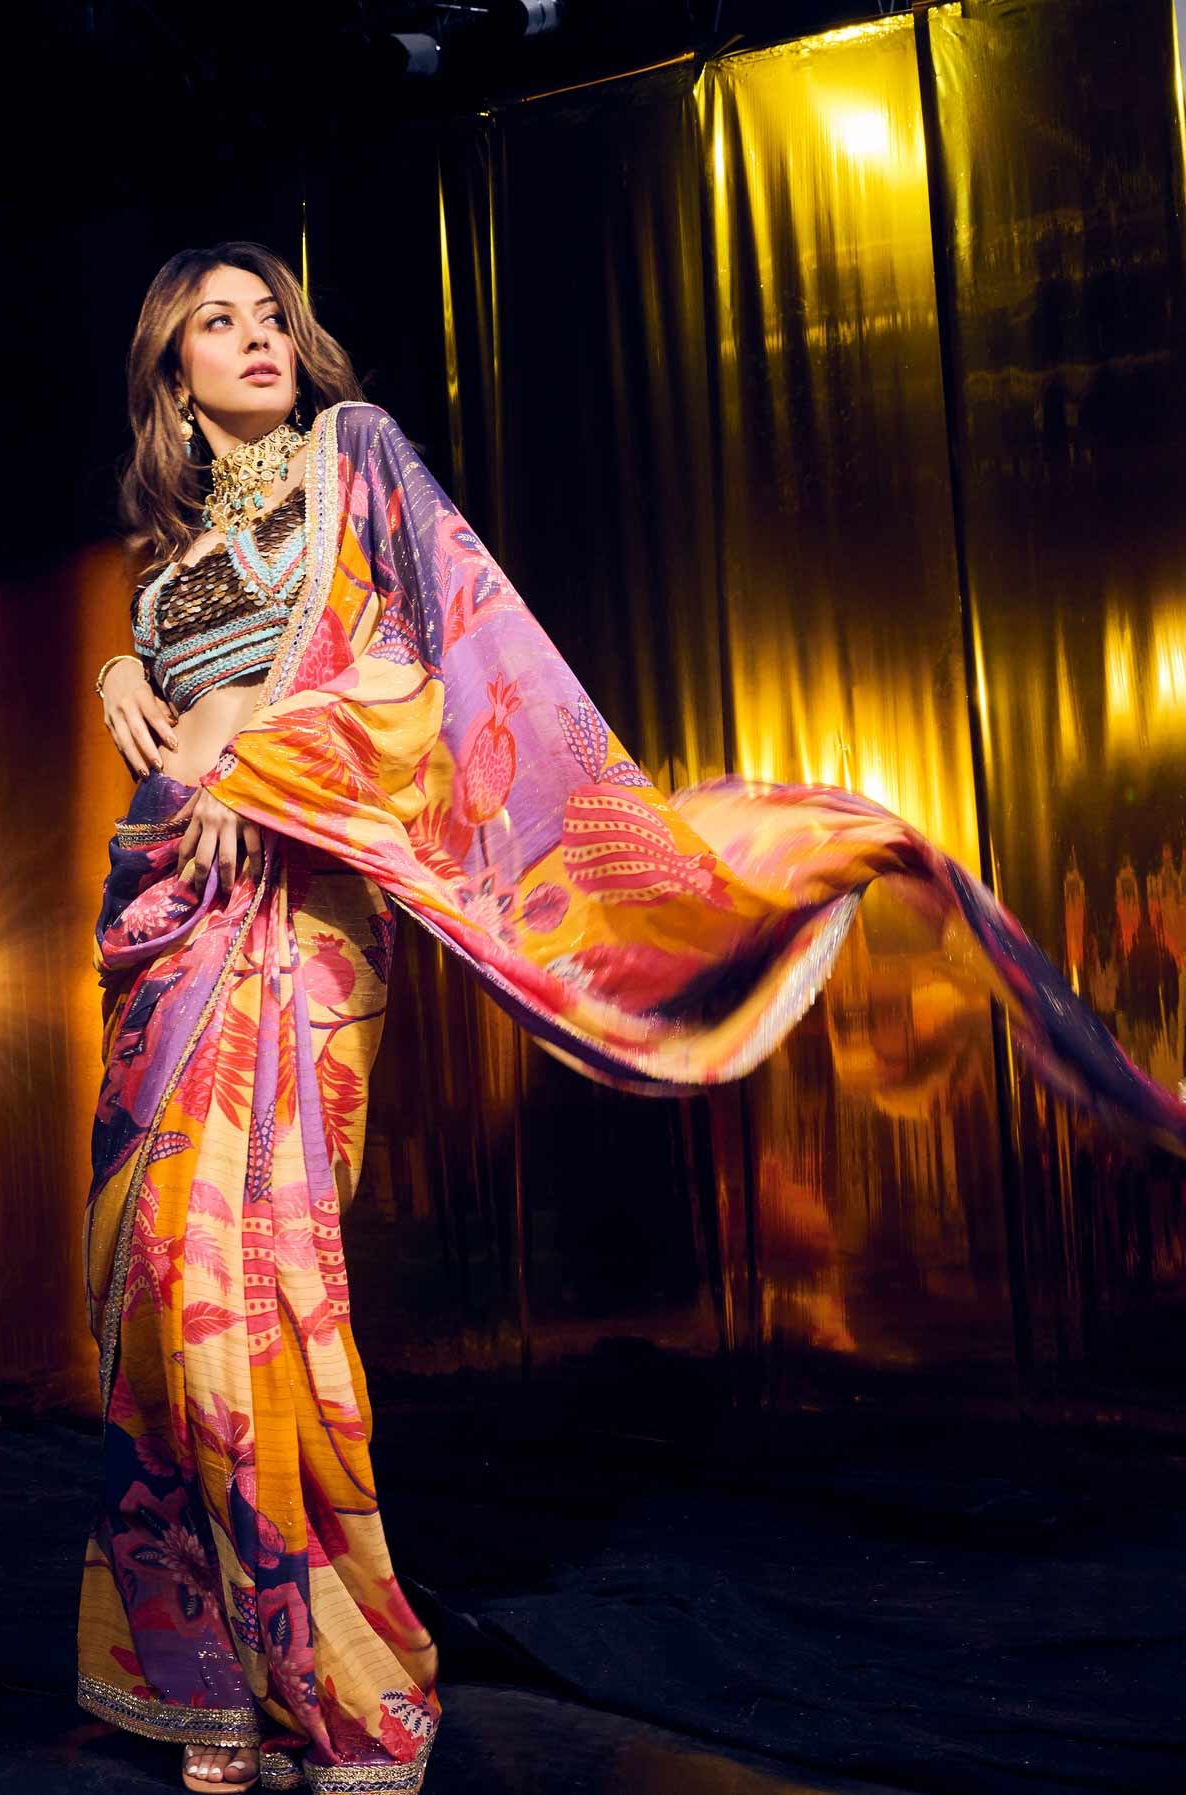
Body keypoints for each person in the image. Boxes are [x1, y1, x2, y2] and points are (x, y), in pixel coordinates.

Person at [82, 240, 1186, 1794]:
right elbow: (185, 693)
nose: (260, 336)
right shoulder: (168, 556)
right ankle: (209, 1676)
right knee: (148, 1292)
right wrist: (125, 671)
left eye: (275, 314)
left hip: (299, 917)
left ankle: (323, 1675)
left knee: (258, 1286)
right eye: (219, 322)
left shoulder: (357, 456)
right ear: (172, 373)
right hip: (166, 927)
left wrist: (256, 753)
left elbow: (421, 669)